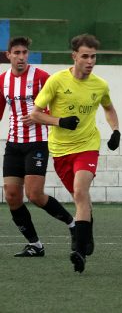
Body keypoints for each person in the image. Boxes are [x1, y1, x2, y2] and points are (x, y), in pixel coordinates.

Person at [31, 34, 120, 273]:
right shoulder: (57, 81)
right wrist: (60, 121)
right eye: (85, 56)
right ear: (74, 56)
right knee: (81, 198)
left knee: (81, 191)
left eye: (93, 57)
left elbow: (109, 108)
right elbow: (36, 114)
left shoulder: (100, 85)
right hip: (60, 151)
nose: (90, 61)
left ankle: (79, 250)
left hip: (88, 146)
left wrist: (115, 131)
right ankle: (87, 229)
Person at [1, 36, 76, 257]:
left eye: (25, 52)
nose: (21, 57)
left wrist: (39, 116)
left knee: (34, 194)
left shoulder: (42, 78)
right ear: (9, 56)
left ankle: (72, 224)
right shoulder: (2, 80)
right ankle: (35, 244)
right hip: (14, 144)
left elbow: (57, 107)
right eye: (17, 53)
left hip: (38, 143)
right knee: (12, 196)